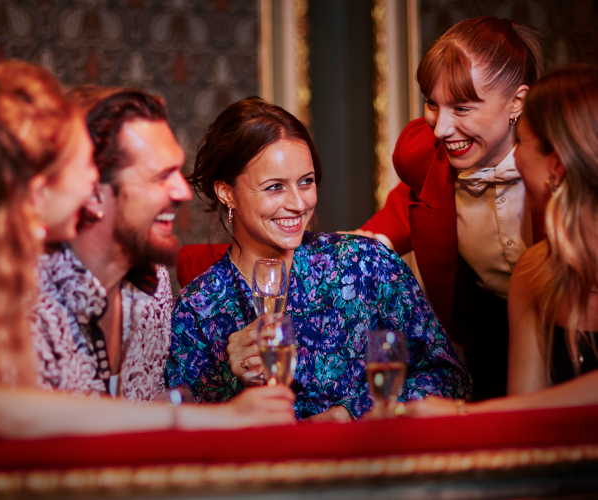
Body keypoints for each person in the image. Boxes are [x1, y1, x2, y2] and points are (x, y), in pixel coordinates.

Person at [0, 62, 295, 439]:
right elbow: (6, 413)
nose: (90, 182)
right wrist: (210, 419)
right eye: (82, 165)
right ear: (38, 186)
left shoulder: (2, 277)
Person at [166, 97, 471, 422]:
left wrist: (349, 413)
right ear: (226, 192)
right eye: (274, 187)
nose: (298, 204)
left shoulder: (366, 264)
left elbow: (448, 377)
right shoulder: (195, 311)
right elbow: (184, 435)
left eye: (306, 182)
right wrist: (229, 380)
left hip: (368, 467)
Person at [346, 17, 544, 401]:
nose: (440, 129)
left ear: (516, 102)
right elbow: (394, 221)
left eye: (463, 108)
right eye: (433, 105)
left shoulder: (561, 164)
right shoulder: (430, 162)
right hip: (485, 332)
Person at [405, 64, 598, 417]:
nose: (515, 159)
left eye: (522, 143)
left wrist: (463, 415)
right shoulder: (535, 270)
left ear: (556, 167)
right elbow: (519, 419)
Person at [31, 86, 190, 401]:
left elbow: (151, 407)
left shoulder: (154, 285)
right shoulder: (26, 295)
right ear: (92, 192)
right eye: (161, 176)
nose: (183, 191)